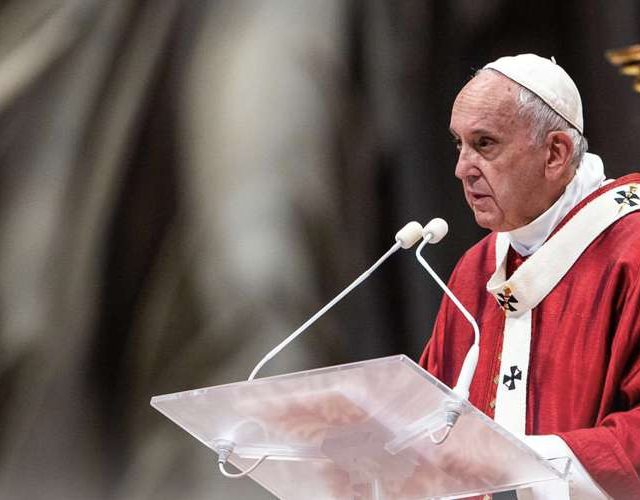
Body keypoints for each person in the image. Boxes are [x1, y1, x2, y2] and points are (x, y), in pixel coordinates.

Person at [419, 53, 640, 499]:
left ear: (555, 153)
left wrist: (521, 464)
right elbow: (427, 420)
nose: (462, 168)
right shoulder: (476, 269)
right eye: (458, 144)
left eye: (484, 144)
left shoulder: (630, 251)